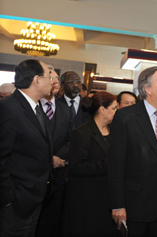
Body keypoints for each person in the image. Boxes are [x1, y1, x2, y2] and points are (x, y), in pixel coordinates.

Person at [108, 66, 157, 236]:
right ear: (147, 89)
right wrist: (117, 204)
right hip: (135, 204)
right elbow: (116, 165)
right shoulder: (126, 117)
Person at [0, 59, 53, 236]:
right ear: (37, 80)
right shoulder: (9, 108)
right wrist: (9, 198)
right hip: (16, 201)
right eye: (49, 76)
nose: (52, 81)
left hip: (34, 197)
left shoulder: (36, 108)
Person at [62, 91, 119, 237]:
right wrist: (109, 164)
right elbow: (76, 167)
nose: (116, 112)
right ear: (102, 110)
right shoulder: (81, 133)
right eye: (113, 108)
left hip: (108, 199)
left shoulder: (115, 132)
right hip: (87, 200)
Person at [36, 66, 73, 237]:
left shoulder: (65, 108)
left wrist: (59, 158)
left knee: (52, 222)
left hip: (58, 176)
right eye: (51, 77)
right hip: (35, 176)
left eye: (58, 78)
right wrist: (48, 158)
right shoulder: (33, 107)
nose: (56, 81)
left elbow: (70, 138)